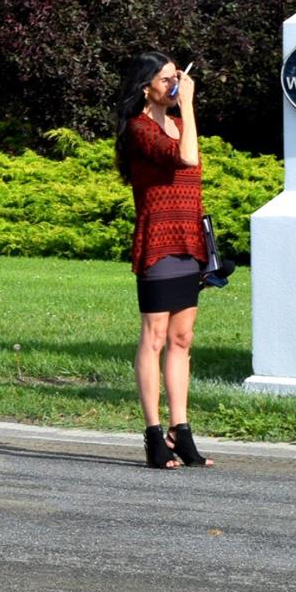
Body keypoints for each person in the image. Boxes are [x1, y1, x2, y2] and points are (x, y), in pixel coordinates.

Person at [114, 51, 215, 469]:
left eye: (179, 79)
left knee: (181, 339)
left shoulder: (179, 124)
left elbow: (191, 161)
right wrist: (187, 105)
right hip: (158, 240)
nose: (175, 86)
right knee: (153, 336)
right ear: (146, 88)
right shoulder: (139, 130)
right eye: (167, 81)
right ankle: (154, 434)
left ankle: (182, 429)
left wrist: (184, 113)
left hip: (189, 240)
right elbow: (185, 158)